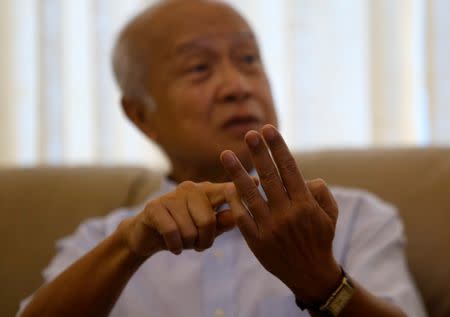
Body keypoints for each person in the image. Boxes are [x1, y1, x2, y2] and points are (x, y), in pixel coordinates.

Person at [19, 1, 428, 316]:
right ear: (140, 115)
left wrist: (322, 281)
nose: (237, 86)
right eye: (199, 68)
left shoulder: (354, 218)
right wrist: (130, 247)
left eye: (249, 60)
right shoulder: (100, 242)